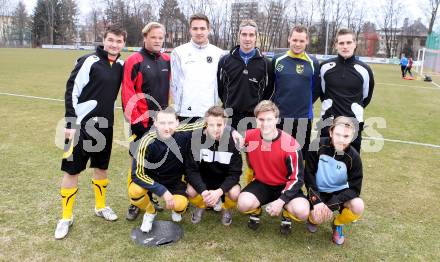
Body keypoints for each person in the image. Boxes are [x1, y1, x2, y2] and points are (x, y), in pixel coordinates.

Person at [55, 25, 126, 240]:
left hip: (105, 125)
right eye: (111, 40)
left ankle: (100, 206)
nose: (114, 44)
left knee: (101, 168)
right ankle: (66, 217)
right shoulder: (88, 61)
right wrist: (70, 123)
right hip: (80, 126)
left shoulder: (121, 65)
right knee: (72, 171)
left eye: (119, 41)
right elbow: (71, 89)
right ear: (104, 40)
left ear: (124, 43)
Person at [237, 100, 309, 235]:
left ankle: (287, 212)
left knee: (302, 212)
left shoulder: (291, 145)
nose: (265, 124)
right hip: (261, 183)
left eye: (269, 119)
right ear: (256, 119)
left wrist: (281, 201)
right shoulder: (249, 136)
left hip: (285, 185)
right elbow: (228, 135)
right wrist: (234, 134)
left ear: (277, 119)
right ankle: (256, 209)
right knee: (243, 204)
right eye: (261, 119)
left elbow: (297, 179)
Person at [128, 107, 205, 232]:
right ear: (155, 123)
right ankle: (150, 212)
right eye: (162, 123)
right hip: (151, 179)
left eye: (170, 123)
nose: (167, 127)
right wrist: (163, 191)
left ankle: (177, 210)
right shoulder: (147, 140)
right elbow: (137, 173)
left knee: (180, 205)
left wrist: (233, 131)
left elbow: (209, 121)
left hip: (174, 180)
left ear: (177, 122)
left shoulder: (183, 132)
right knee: (135, 192)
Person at [122, 22, 170, 221]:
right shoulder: (135, 60)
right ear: (145, 37)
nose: (157, 40)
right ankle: (135, 202)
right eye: (153, 37)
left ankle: (151, 196)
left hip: (161, 123)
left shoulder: (167, 59)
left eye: (160, 37)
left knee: (155, 161)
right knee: (137, 161)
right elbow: (127, 92)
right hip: (141, 123)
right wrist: (137, 122)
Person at [304, 116, 364, 245]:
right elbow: (308, 175)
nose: (341, 140)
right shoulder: (317, 145)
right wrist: (317, 201)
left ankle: (337, 224)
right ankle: (313, 217)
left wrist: (332, 204)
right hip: (319, 192)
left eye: (346, 136)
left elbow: (354, 189)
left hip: (339, 196)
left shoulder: (354, 157)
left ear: (352, 137)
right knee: (316, 218)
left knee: (358, 206)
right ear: (331, 132)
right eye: (337, 134)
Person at [319, 28, 374, 153]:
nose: (345, 46)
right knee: (324, 161)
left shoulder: (365, 70)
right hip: (328, 122)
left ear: (355, 44)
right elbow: (322, 92)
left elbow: (366, 97)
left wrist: (353, 110)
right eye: (341, 43)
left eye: (349, 43)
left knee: (350, 164)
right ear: (336, 45)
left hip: (353, 123)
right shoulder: (325, 67)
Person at [185, 106, 242, 226]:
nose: (215, 129)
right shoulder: (196, 139)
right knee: (190, 191)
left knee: (235, 193)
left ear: (225, 125)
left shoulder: (233, 141)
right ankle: (201, 205)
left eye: (219, 125)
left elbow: (235, 174)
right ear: (206, 124)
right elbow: (191, 171)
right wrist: (203, 191)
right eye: (211, 125)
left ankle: (225, 208)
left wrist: (219, 192)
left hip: (223, 181)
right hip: (203, 179)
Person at [271, 25, 320, 159]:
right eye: (295, 40)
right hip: (280, 117)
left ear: (307, 41)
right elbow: (270, 87)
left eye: (301, 41)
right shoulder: (277, 60)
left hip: (303, 118)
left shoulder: (313, 62)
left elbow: (316, 89)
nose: (297, 44)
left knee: (299, 157)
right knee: (278, 156)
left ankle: (297, 180)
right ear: (289, 39)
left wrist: (304, 102)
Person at [217, 19, 273, 132]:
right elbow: (220, 88)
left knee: (250, 149)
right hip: (229, 117)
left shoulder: (266, 63)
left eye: (251, 35)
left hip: (253, 118)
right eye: (244, 34)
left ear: (256, 37)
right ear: (239, 36)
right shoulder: (225, 61)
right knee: (229, 148)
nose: (247, 39)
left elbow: (269, 90)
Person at [171, 13, 224, 123]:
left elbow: (221, 85)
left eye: (202, 28)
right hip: (185, 113)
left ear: (209, 29)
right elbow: (174, 84)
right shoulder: (178, 53)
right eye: (195, 28)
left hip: (210, 114)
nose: (199, 32)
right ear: (190, 30)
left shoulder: (219, 54)